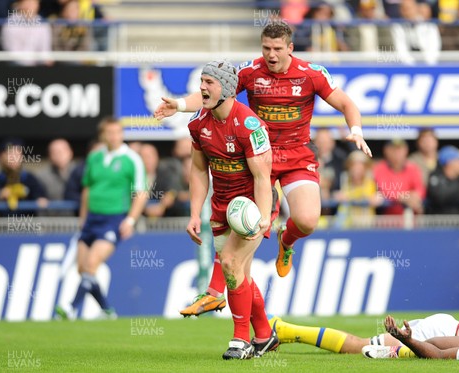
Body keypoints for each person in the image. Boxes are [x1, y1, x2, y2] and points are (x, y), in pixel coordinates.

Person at [154, 21, 372, 314]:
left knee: (307, 220)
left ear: (290, 48)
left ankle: (286, 239)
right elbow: (214, 93)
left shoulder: (311, 75)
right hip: (259, 157)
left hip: (297, 155)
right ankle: (233, 312)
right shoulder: (249, 71)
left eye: (277, 49)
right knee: (241, 245)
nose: (271, 54)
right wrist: (179, 105)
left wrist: (356, 130)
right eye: (266, 48)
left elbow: (346, 103)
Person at [185, 60, 278, 360]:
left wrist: (263, 217)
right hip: (222, 206)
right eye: (202, 81)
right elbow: (199, 171)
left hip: (252, 206)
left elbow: (263, 177)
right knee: (240, 274)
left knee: (229, 262)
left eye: (209, 82)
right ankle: (264, 336)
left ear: (226, 87)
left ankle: (241, 341)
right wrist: (194, 213)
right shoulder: (199, 123)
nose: (202, 87)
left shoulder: (249, 125)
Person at [55, 117, 148, 320]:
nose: (114, 136)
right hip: (91, 220)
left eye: (117, 132)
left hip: (113, 219)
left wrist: (130, 220)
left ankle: (71, 308)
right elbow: (87, 189)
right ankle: (107, 311)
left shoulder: (132, 159)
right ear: (103, 135)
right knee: (83, 269)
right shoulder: (94, 158)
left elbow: (141, 192)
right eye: (109, 132)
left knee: (91, 264)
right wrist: (83, 218)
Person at [0, 138, 48, 218]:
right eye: (9, 154)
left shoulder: (30, 178)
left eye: (17, 154)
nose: (14, 158)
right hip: (5, 226)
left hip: (29, 225)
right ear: (1, 157)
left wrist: (40, 200)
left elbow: (41, 198)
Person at [373, 139, 425, 215]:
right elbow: (384, 190)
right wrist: (403, 197)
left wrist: (414, 196)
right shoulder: (379, 168)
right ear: (386, 151)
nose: (397, 153)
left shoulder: (413, 168)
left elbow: (420, 190)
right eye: (393, 149)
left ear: (406, 150)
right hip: (387, 220)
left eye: (400, 149)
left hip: (411, 219)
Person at [425, 146, 459, 214]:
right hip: (437, 220)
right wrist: (457, 188)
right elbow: (440, 197)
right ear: (449, 162)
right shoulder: (435, 175)